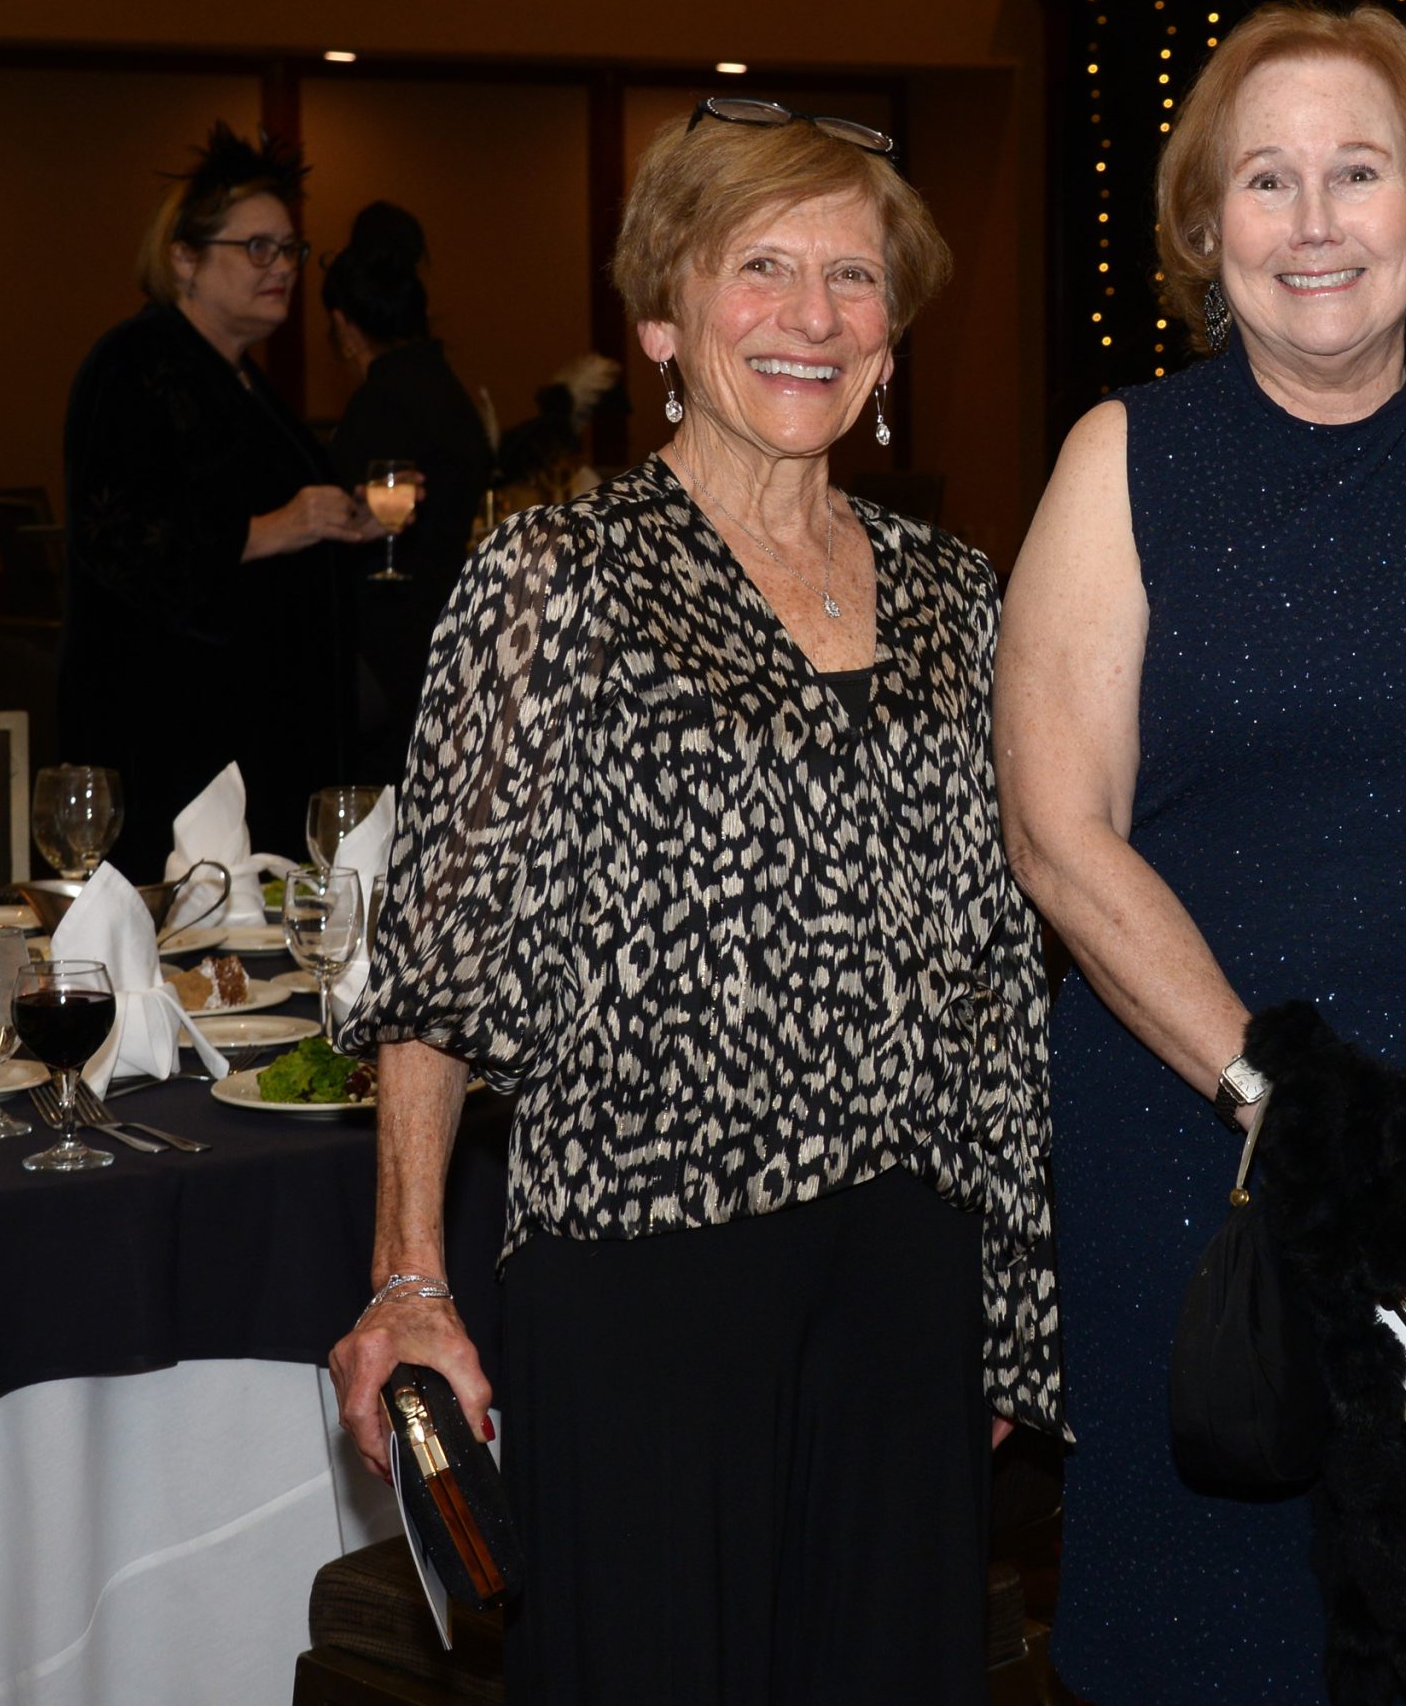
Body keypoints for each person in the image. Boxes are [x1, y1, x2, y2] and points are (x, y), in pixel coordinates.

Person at [326, 100, 1059, 1705]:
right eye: (763, 269)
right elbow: (438, 963)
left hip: (906, 1275)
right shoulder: (555, 578)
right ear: (664, 318)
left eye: (854, 278)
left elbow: (997, 976)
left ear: (891, 339)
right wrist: (408, 1279)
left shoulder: (960, 594)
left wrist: (1006, 1310)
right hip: (646, 1273)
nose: (814, 316)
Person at [998, 2, 1406, 1703]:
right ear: (1204, 225)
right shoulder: (1122, 460)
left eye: (1356, 173)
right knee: (1215, 1630)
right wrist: (1280, 1105)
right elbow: (1059, 834)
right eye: (1266, 179)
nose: (1313, 222)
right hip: (1201, 1139)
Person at [61, 121, 379, 872]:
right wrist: (271, 528)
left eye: (292, 249)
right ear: (185, 259)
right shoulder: (135, 363)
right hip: (176, 742)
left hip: (256, 733)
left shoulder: (240, 375)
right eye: (257, 248)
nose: (283, 268)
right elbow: (116, 537)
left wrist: (342, 518)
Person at [322, 201, 493, 781]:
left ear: (344, 326)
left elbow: (345, 527)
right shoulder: (444, 388)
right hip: (446, 633)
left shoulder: (381, 404)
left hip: (390, 650)